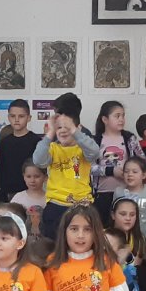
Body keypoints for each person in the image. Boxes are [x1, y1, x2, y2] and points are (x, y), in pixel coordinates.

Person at [33, 93, 99, 240]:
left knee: (79, 243)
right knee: (53, 245)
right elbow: (38, 161)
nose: (63, 130)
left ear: (78, 128)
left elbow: (94, 152)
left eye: (67, 127)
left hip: (81, 206)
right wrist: (50, 132)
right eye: (59, 128)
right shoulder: (52, 148)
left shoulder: (83, 148)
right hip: (55, 205)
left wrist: (74, 130)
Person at [87, 101, 142, 223]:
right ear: (105, 119)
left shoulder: (129, 138)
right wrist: (111, 171)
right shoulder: (95, 140)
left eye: (123, 116)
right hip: (102, 194)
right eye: (117, 116)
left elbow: (141, 161)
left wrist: (129, 171)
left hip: (126, 192)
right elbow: (89, 167)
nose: (121, 119)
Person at [0, 99, 40, 201]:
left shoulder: (36, 141)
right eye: (13, 116)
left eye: (21, 116)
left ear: (29, 118)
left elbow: (40, 170)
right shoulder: (5, 142)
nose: (16, 120)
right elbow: (0, 169)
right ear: (8, 117)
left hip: (29, 192)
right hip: (7, 193)